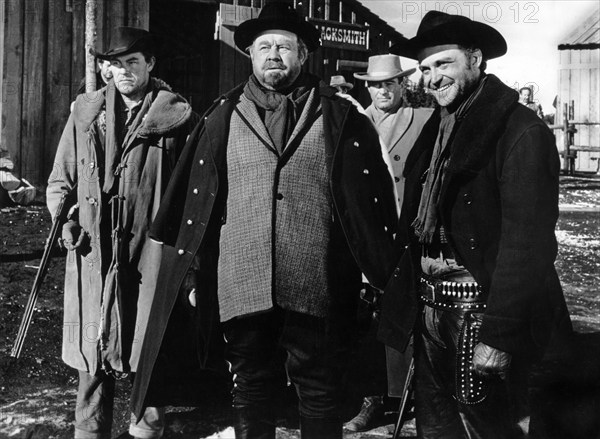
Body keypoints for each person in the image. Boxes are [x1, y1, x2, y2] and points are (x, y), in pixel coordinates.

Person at [130, 3, 398, 438]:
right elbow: (197, 209)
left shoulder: (342, 116)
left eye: (284, 47)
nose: (274, 54)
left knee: (319, 391)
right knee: (251, 389)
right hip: (241, 283)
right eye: (265, 46)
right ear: (250, 55)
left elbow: (371, 205)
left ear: (303, 55)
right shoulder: (221, 116)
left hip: (317, 284)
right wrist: (196, 278)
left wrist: (370, 274)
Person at [378, 11, 572, 439]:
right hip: (433, 315)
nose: (432, 78)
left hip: (483, 320)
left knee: (489, 431)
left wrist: (498, 337)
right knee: (437, 430)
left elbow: (528, 245)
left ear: (477, 60)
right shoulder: (438, 128)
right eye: (426, 68)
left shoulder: (520, 132)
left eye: (444, 63)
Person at [47, 26, 198, 439]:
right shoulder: (85, 115)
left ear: (150, 64)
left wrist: (187, 258)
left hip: (149, 252)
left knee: (150, 351)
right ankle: (90, 432)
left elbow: (195, 194)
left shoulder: (177, 118)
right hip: (95, 251)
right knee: (92, 354)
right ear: (103, 68)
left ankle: (146, 430)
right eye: (114, 64)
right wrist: (67, 220)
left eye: (133, 62)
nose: (123, 71)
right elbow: (60, 182)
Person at [343, 54, 436, 433]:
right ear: (366, 87)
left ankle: (406, 397)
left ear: (403, 85)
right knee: (363, 319)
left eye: (390, 83)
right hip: (362, 234)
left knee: (402, 311)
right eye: (375, 84)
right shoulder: (350, 121)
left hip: (405, 232)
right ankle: (371, 397)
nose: (382, 90)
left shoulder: (425, 121)